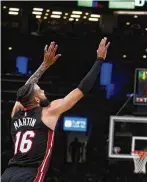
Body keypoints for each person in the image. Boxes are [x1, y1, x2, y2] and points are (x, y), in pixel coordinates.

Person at [1, 38, 110, 182]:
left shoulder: (16, 113)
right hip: (29, 175)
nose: (43, 90)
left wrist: (44, 66)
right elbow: (81, 90)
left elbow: (23, 92)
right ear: (36, 100)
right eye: (40, 91)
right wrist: (99, 60)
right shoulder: (48, 112)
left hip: (7, 174)